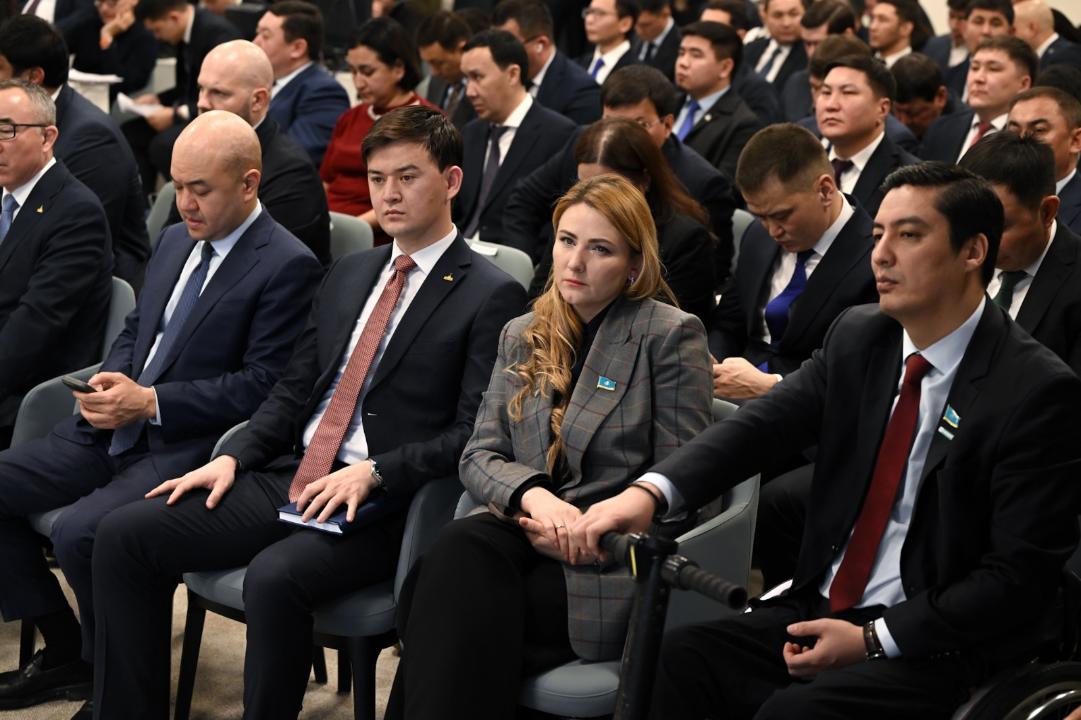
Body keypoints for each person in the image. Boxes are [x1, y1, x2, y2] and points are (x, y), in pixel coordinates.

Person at [569, 161, 1081, 720]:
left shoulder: (1035, 389)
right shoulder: (861, 334)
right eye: (877, 234)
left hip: (939, 638)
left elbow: (1015, 578)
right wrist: (649, 492)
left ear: (973, 251)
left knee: (792, 714)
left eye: (909, 235)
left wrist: (874, 638)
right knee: (675, 661)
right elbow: (759, 428)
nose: (881, 255)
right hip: (823, 605)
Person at [91, 105, 527, 720]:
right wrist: (234, 455)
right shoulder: (350, 272)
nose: (389, 194)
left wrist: (375, 471)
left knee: (274, 577)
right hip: (295, 472)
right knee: (124, 534)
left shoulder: (490, 291)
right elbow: (293, 390)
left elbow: (472, 432)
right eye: (377, 179)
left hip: (382, 500)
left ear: (451, 181)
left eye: (407, 177)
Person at [0, 110, 322, 717]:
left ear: (249, 184)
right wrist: (113, 379)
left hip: (189, 444)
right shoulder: (175, 239)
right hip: (109, 427)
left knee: (81, 532)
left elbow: (264, 389)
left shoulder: (287, 264)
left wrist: (150, 403)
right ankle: (70, 649)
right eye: (177, 186)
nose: (184, 204)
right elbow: (137, 330)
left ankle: (117, 690)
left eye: (201, 189)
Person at [385, 173, 713, 720]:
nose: (575, 262)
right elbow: (479, 455)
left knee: (448, 610)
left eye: (600, 249)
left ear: (634, 265)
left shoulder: (669, 336)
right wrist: (537, 499)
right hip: (521, 530)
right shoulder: (524, 331)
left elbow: (688, 482)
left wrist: (592, 531)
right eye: (566, 240)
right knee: (457, 556)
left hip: (602, 559)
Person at [504, 64, 735, 283]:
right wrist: (522, 264)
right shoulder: (587, 145)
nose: (618, 134)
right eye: (610, 122)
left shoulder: (701, 184)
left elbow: (711, 274)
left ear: (667, 125)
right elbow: (525, 200)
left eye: (638, 124)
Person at [708, 123, 876, 401]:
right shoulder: (757, 236)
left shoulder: (875, 260)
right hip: (730, 392)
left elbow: (859, 374)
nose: (772, 231)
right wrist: (712, 362)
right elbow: (729, 322)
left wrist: (773, 386)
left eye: (782, 216)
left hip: (809, 410)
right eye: (761, 217)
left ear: (825, 190)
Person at [0, 15, 150, 291]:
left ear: (33, 77)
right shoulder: (20, 120)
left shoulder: (91, 138)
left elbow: (70, 235)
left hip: (82, 282)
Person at [0, 79, 111, 450]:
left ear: (47, 137)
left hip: (27, 394)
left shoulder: (76, 213)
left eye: (6, 130)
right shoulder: (6, 195)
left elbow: (34, 329)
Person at [534, 118, 717, 323]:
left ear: (644, 181)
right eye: (583, 183)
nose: (592, 197)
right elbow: (539, 294)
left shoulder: (686, 239)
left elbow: (668, 325)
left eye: (601, 249)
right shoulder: (574, 219)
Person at [167, 40, 331, 264]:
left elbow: (265, 267)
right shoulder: (198, 151)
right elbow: (173, 247)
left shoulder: (292, 174)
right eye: (201, 89)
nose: (202, 103)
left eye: (218, 93)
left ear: (258, 100)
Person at [960, 132, 1081, 375]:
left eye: (997, 227)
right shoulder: (953, 259)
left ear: (1047, 212)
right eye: (969, 224)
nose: (978, 247)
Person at [454, 30, 577, 245]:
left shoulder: (560, 134)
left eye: (478, 77)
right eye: (466, 79)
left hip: (514, 256)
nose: (469, 92)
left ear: (512, 74)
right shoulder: (471, 132)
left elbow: (556, 220)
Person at [320, 18, 433, 239]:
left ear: (398, 69)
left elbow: (411, 197)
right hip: (331, 228)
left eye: (367, 71)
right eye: (353, 71)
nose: (358, 82)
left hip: (377, 235)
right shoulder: (350, 117)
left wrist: (351, 229)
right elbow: (326, 181)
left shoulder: (424, 122)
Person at [122, 0, 239, 196]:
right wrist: (158, 99)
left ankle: (184, 197)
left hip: (212, 115)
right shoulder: (183, 35)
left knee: (162, 145)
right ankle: (142, 200)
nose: (157, 37)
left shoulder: (217, 35)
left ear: (174, 18)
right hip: (192, 108)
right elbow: (184, 85)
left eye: (157, 30)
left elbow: (224, 95)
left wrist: (176, 114)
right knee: (131, 132)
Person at [816, 55, 919, 218]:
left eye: (848, 92)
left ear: (882, 109)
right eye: (826, 92)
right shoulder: (803, 166)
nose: (831, 105)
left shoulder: (911, 178)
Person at [255, 1, 350, 168]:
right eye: (257, 33)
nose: (255, 42)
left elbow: (295, 157)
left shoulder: (324, 93)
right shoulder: (262, 82)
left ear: (297, 48)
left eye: (265, 36)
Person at [920, 36, 1036, 163]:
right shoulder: (941, 128)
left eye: (993, 69)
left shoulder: (1028, 138)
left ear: (1023, 84)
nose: (978, 78)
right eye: (974, 68)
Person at [673, 21, 763, 181]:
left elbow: (722, 188)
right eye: (681, 53)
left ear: (725, 67)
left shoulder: (743, 124)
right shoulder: (668, 103)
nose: (683, 62)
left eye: (696, 55)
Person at [493, 0, 601, 125]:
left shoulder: (581, 92)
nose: (499, 56)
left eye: (508, 47)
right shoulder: (499, 81)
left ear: (541, 44)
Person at [1008, 86, 1081, 235]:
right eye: (1014, 131)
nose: (1022, 139)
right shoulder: (989, 194)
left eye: (1039, 130)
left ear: (1075, 141)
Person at [66, 0, 157, 104]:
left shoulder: (145, 38)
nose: (104, 9)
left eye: (112, 3)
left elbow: (122, 84)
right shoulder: (89, 25)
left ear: (132, 2)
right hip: (77, 97)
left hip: (116, 103)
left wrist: (106, 37)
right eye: (100, 3)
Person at [943, 0, 1015, 100]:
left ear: (1011, 32)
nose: (986, 31)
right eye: (978, 22)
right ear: (964, 28)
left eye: (995, 24)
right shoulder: (948, 78)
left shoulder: (1018, 80)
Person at [417, 11, 476, 130]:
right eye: (429, 64)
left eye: (439, 63)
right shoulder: (436, 83)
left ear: (461, 49)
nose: (434, 72)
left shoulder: (483, 88)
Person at [743, 0, 807, 91]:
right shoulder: (749, 49)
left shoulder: (810, 56)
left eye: (793, 14)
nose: (786, 23)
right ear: (764, 17)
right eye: (778, 15)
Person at [891, 52, 955, 142]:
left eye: (913, 113)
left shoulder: (961, 130)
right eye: (897, 111)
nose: (903, 122)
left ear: (941, 97)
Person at [577, 0, 641, 85]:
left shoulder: (638, 74)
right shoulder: (577, 65)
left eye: (599, 13)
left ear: (625, 24)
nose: (589, 20)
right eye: (588, 12)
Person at [1013, 0, 1081, 73]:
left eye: (1013, 30)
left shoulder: (1067, 56)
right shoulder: (1044, 56)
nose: (1010, 35)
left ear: (1032, 28)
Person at [867, 0, 920, 69]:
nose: (873, 27)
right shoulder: (864, 64)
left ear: (905, 28)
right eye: (872, 19)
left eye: (882, 20)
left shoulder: (918, 68)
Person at [635, 0, 680, 80]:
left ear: (665, 14)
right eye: (635, 24)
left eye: (646, 25)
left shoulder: (681, 44)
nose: (638, 31)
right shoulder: (633, 37)